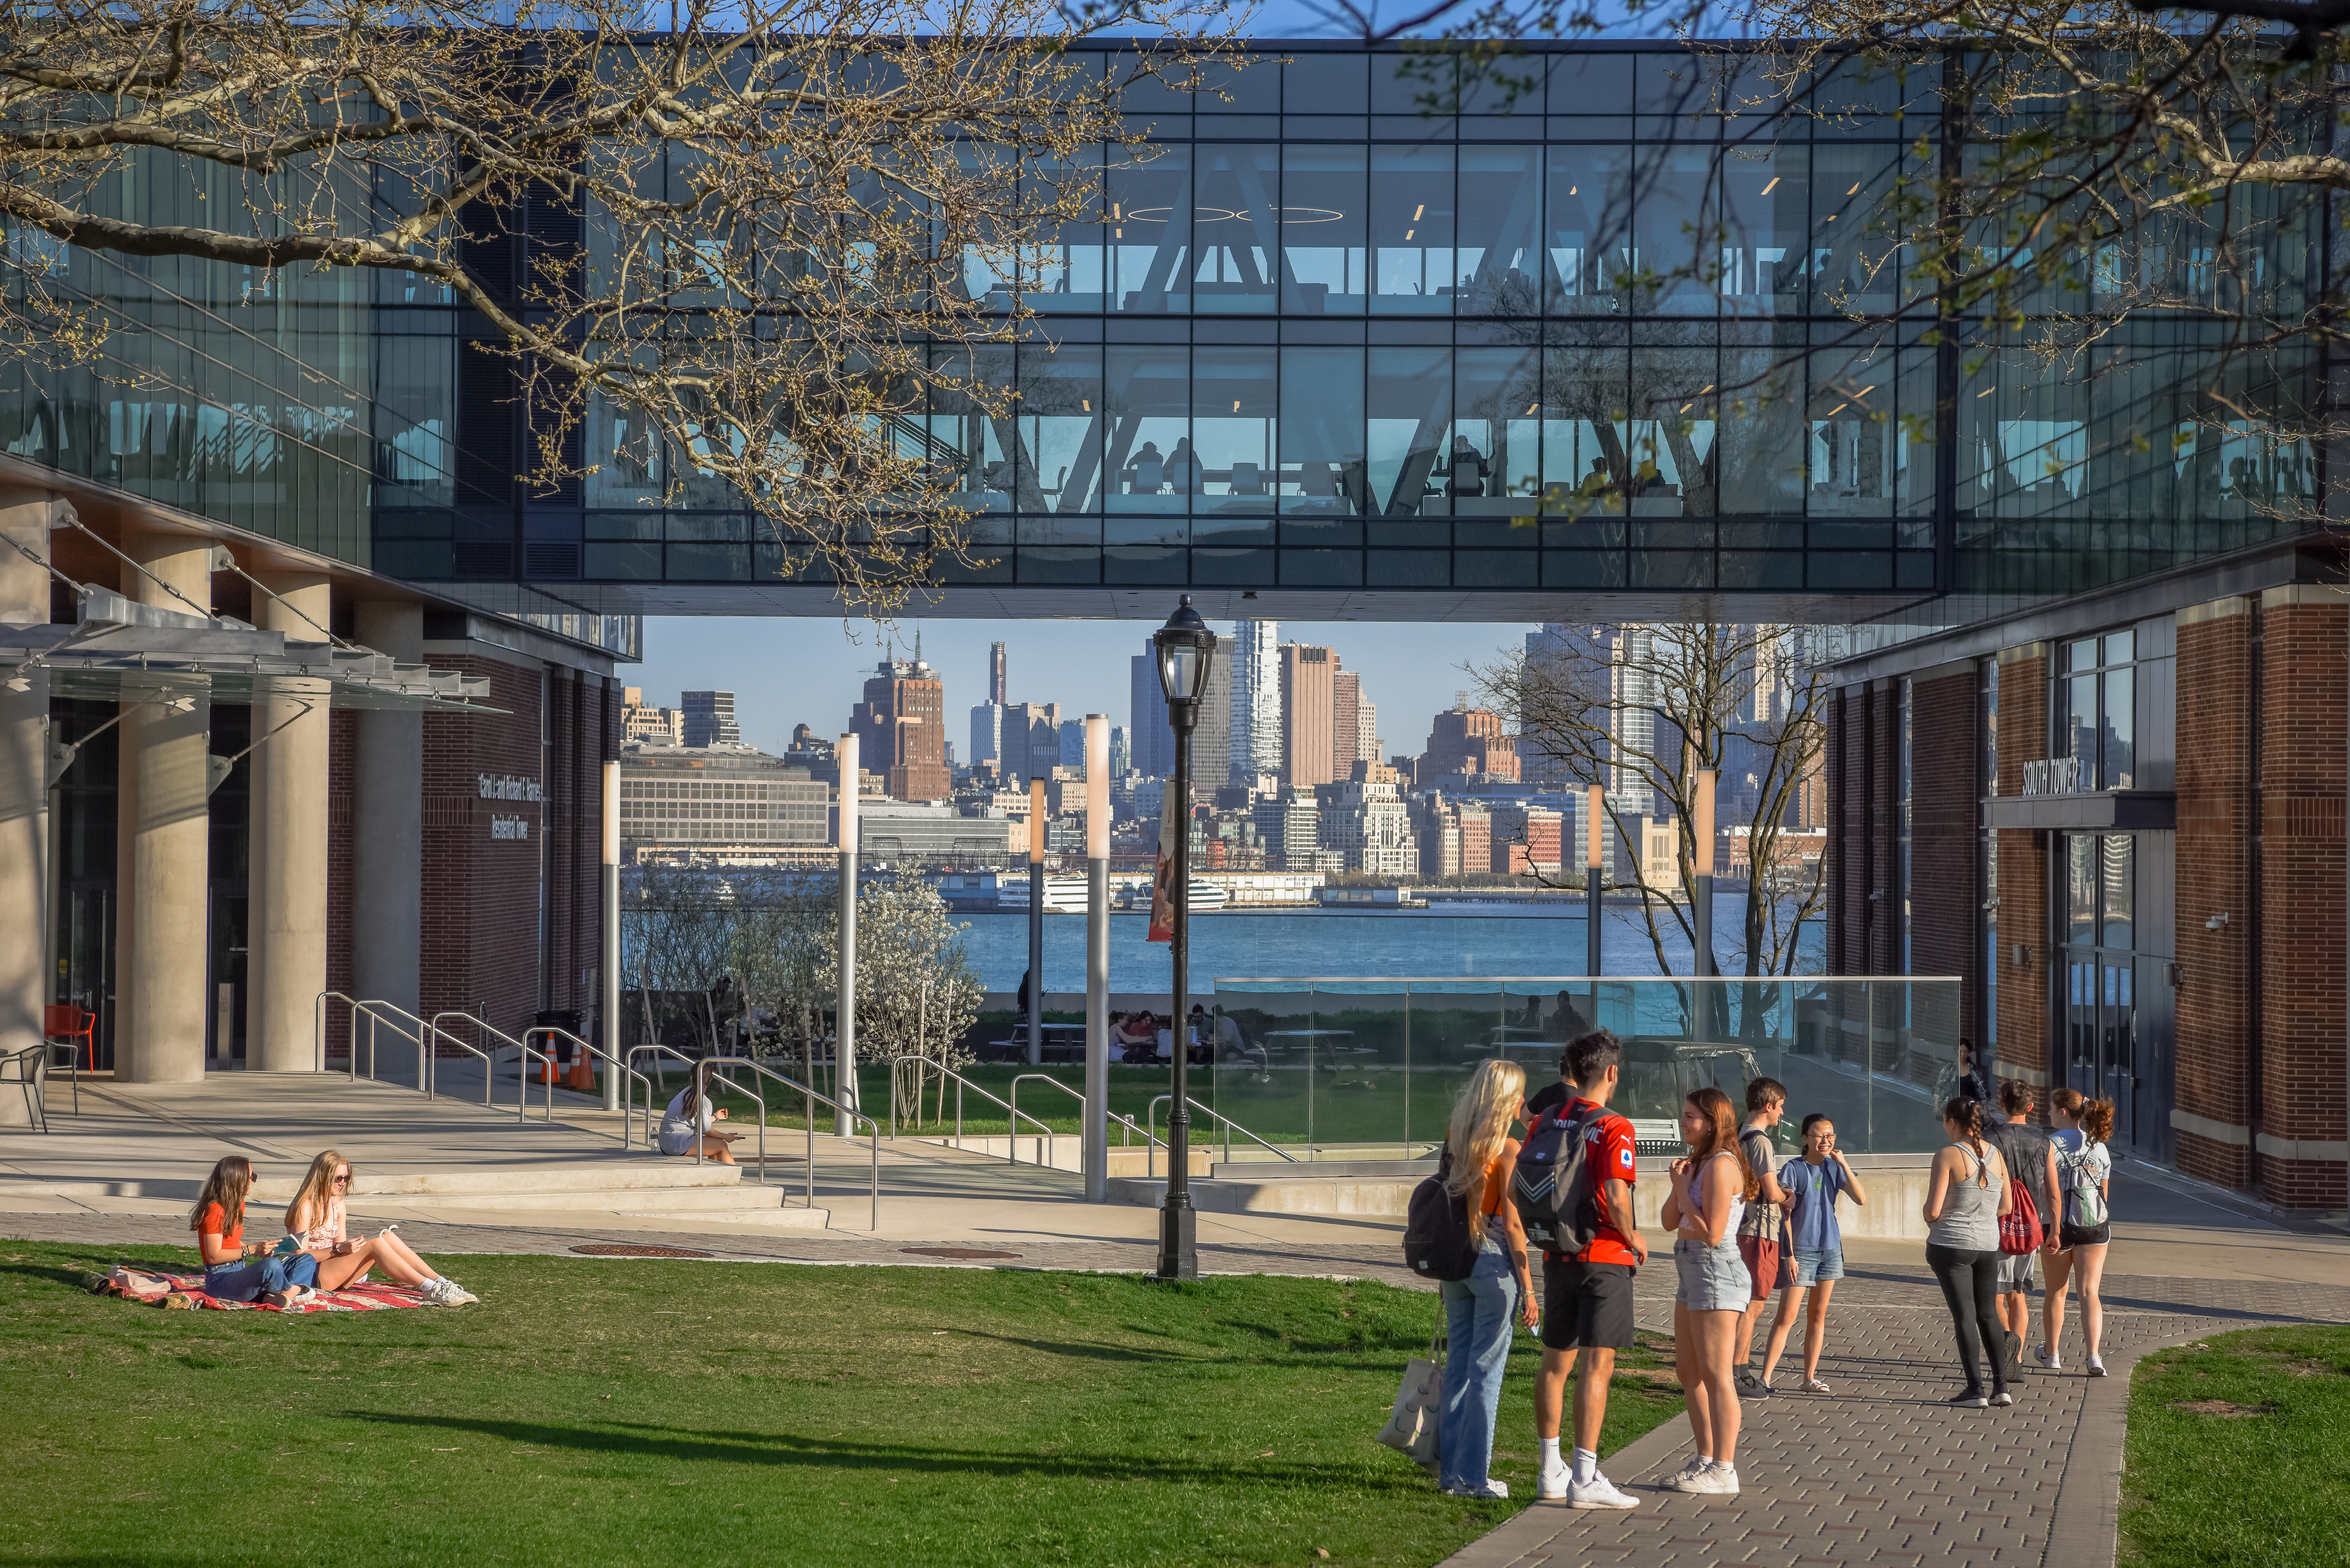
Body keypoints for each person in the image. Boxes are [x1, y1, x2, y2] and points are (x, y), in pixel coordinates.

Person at [1529, 1029, 1648, 1510]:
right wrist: (1634, 1236)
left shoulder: (1547, 1120)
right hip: (1603, 1257)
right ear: (1612, 1072)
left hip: (1556, 1254)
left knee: (1556, 1363)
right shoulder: (1616, 1126)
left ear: (1571, 1072)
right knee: (1598, 1365)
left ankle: (1549, 1468)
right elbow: (1618, 1194)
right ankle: (1585, 1476)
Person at [1435, 1059, 1540, 1499]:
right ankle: (1474, 1478)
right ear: (1507, 1100)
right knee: (1486, 1373)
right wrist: (1531, 1288)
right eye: (1520, 1095)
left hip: (1455, 1257)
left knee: (1459, 1367)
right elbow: (1515, 1225)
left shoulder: (1455, 1135)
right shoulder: (1508, 1148)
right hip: (1495, 1258)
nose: (1524, 1103)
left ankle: (1450, 1474)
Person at [1659, 1087, 1758, 1495]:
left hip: (1716, 1269)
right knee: (1689, 1371)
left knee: (1719, 1375)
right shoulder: (1697, 1163)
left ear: (1713, 1123)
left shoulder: (1721, 1164)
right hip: (1691, 1267)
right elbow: (1669, 1221)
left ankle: (1725, 1467)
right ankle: (1705, 1458)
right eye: (1683, 1116)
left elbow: (1715, 1234)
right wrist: (1677, 1183)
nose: (1683, 1123)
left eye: (1690, 1118)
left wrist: (1683, 1190)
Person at [1755, 1114, 1867, 1393]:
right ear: (1805, 1137)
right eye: (1819, 1135)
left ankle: (1809, 1378)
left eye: (1830, 1135)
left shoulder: (1834, 1167)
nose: (1826, 1141)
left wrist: (1843, 1163)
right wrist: (1789, 1255)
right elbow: (1785, 1215)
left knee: (1818, 1314)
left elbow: (1861, 1198)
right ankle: (1765, 1378)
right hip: (1801, 1251)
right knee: (1787, 1316)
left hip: (1829, 1248)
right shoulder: (1794, 1168)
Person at [285, 1150, 474, 1304]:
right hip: (311, 1274)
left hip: (332, 1268)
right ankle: (429, 1288)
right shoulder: (306, 1206)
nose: (343, 1183)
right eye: (337, 1178)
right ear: (322, 1177)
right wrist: (339, 1250)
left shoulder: (338, 1203)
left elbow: (340, 1243)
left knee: (387, 1236)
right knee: (375, 1242)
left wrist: (346, 1248)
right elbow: (301, 1257)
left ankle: (441, 1282)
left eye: (347, 1178)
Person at [1922, 1097, 2014, 1407]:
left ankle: (1975, 1389)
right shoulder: (1996, 1154)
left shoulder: (1947, 1154)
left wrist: (1932, 1213)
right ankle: (2001, 1386)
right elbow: (2006, 1206)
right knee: (1988, 1314)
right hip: (1988, 1244)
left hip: (1951, 1244)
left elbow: (1933, 1211)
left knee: (1965, 1316)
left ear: (1952, 1122)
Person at [2038, 1088, 2116, 1376]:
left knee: (2056, 1293)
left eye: (2050, 1108)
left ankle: (2052, 1353)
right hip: (2094, 1226)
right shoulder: (2100, 1147)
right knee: (2089, 1292)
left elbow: (2045, 1191)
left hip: (2056, 1227)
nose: (2047, 1113)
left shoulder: (2049, 1145)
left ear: (2062, 1112)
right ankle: (2094, 1356)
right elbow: (2105, 1194)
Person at [1986, 1080, 2058, 1383]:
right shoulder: (2045, 1142)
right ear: (2030, 1107)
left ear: (2002, 1104)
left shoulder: (1990, 1138)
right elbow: (2053, 1193)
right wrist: (2054, 1231)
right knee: (2018, 1295)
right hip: (2029, 1228)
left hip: (1997, 1225)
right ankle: (2015, 1358)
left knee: (1994, 1297)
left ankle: (2004, 1354)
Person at [1733, 1078, 1793, 1397]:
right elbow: (1770, 1191)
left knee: (1749, 1302)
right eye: (1780, 1106)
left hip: (1749, 1229)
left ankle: (1740, 1371)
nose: (1782, 1113)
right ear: (1768, 1105)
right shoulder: (1760, 1142)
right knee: (1753, 1304)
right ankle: (1738, 1374)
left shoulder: (1740, 1135)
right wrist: (1788, 1196)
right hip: (1758, 1231)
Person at [190, 1156, 311, 1307]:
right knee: (271, 1266)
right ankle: (289, 1292)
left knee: (306, 1259)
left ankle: (280, 1295)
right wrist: (252, 1249)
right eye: (251, 1177)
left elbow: (231, 1243)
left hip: (240, 1270)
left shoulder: (238, 1205)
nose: (253, 1181)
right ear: (237, 1179)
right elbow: (214, 1256)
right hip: (221, 1281)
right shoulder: (215, 1210)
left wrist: (261, 1251)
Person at [660, 1063, 737, 1163]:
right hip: (677, 1144)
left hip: (666, 1143)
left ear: (692, 1078)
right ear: (711, 1080)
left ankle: (716, 1173)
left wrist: (716, 1116)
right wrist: (727, 1137)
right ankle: (733, 1177)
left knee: (713, 1145)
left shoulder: (684, 1094)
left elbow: (698, 1124)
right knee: (722, 1145)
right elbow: (706, 1131)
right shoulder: (704, 1101)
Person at [1523, 1047, 1576, 1125]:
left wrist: (1540, 1131)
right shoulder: (1579, 1099)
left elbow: (1524, 1117)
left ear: (1561, 1070)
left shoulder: (1546, 1092)